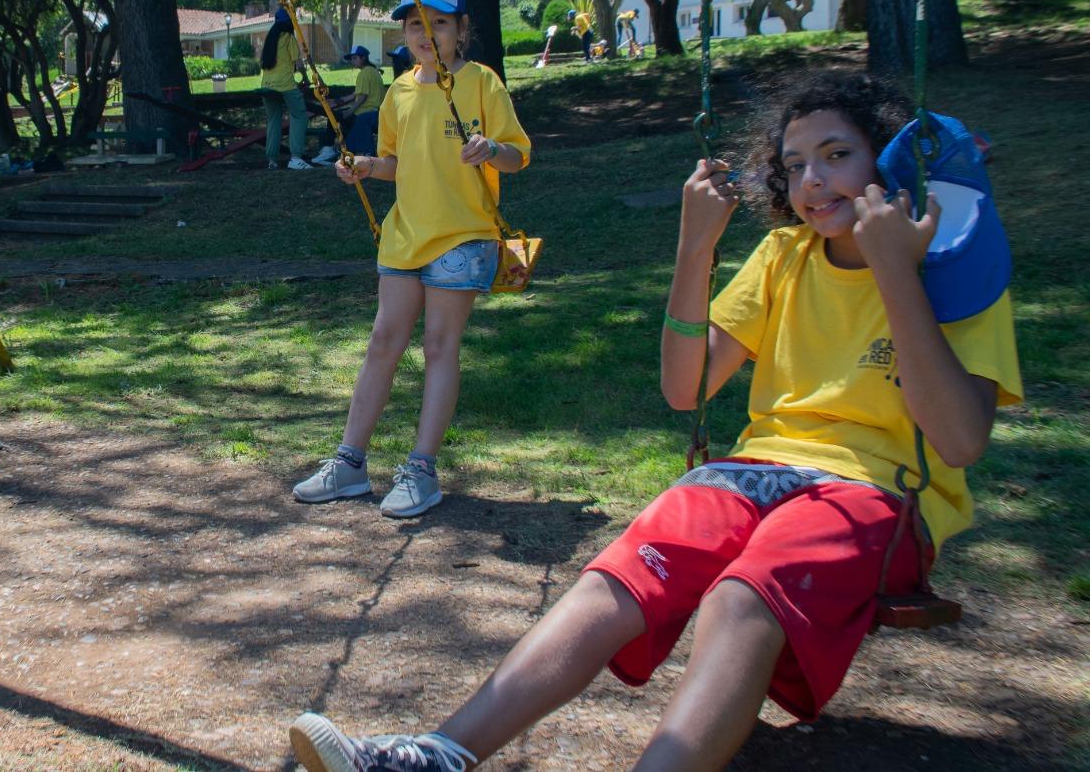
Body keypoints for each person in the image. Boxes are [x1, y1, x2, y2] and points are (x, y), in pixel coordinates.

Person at [286, 70, 1021, 772]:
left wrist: (896, 270)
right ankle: (439, 754)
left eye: (837, 157)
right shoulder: (785, 255)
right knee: (621, 573)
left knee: (739, 598)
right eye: (794, 165)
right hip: (755, 472)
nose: (812, 183)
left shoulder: (954, 267)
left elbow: (959, 440)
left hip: (875, 497)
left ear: (889, 159)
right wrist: (694, 245)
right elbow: (684, 386)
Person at [292, 0, 531, 520]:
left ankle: (421, 469)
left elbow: (519, 155)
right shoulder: (399, 90)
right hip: (405, 235)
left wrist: (491, 148)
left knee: (440, 347)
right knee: (382, 341)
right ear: (403, 32)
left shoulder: (482, 83)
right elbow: (397, 164)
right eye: (415, 24)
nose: (426, 33)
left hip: (464, 235)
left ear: (461, 29)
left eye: (439, 22)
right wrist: (368, 167)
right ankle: (350, 464)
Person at [311, 45, 387, 164]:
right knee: (340, 117)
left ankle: (330, 149)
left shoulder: (364, 74)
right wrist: (339, 100)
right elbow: (356, 94)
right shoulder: (373, 72)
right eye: (351, 58)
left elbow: (362, 97)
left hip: (364, 112)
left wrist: (349, 111)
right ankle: (339, 151)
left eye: (355, 58)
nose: (352, 61)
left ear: (363, 58)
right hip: (374, 111)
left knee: (335, 116)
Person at [260, 7, 311, 170]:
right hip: (286, 86)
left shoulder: (270, 39)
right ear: (290, 23)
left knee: (273, 121)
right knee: (299, 115)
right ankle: (295, 157)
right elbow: (298, 63)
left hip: (266, 87)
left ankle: (272, 161)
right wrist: (305, 77)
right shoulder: (289, 38)